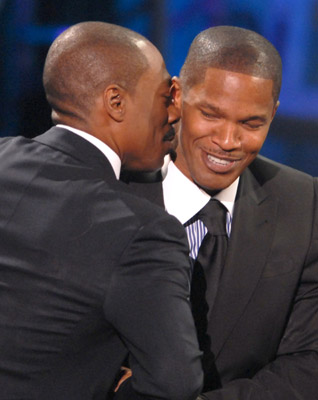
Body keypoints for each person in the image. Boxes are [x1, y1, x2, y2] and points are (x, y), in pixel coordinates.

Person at [0, 21, 205, 400]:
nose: (174, 113)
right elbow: (174, 385)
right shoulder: (143, 232)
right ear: (116, 103)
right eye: (165, 96)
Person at [123, 26, 318, 400]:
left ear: (273, 114)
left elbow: (308, 363)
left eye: (251, 123)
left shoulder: (303, 204)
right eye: (211, 115)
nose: (228, 142)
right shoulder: (111, 190)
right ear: (177, 96)